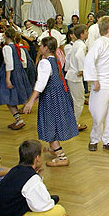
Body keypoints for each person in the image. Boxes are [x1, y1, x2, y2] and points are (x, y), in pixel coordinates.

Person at [23, 36, 79, 167]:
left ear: (46, 48)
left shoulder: (44, 63)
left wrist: (30, 101)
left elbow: (41, 83)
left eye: (41, 46)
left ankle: (61, 156)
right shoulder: (56, 60)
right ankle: (53, 148)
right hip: (60, 96)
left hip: (51, 98)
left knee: (49, 124)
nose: (39, 48)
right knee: (54, 122)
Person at [0, 140, 67, 216]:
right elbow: (40, 207)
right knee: (59, 211)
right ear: (37, 158)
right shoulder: (31, 177)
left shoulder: (15, 169)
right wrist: (50, 201)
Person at [85, 16, 109, 152]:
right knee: (98, 114)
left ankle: (108, 140)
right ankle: (94, 139)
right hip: (102, 84)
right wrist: (95, 80)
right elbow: (89, 61)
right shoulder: (99, 43)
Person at [0, 27, 32, 130]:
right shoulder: (17, 46)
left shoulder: (7, 48)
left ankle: (18, 119)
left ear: (5, 36)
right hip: (18, 73)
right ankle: (18, 119)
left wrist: (8, 78)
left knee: (8, 97)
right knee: (12, 97)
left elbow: (9, 64)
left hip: (10, 73)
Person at [65, 24, 88, 132]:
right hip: (75, 75)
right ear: (82, 34)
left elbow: (69, 57)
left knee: (75, 100)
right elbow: (79, 56)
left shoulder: (76, 44)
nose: (88, 34)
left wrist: (68, 68)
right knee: (79, 100)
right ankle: (74, 124)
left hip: (71, 74)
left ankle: (72, 122)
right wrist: (81, 69)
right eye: (86, 32)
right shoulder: (81, 45)